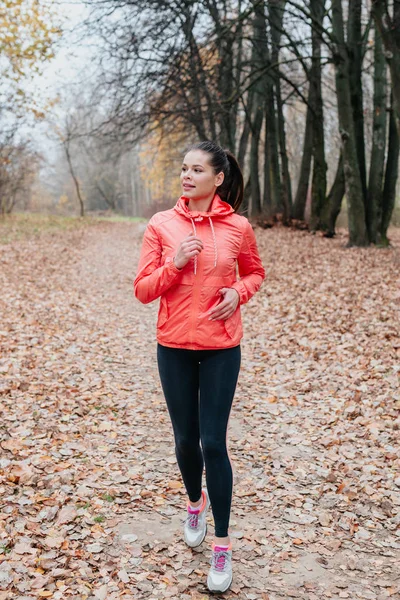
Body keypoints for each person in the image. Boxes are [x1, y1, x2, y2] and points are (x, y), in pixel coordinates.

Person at [133, 140, 265, 593]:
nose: (187, 176)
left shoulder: (238, 227)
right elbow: (143, 290)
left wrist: (238, 294)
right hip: (173, 346)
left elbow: (254, 273)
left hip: (222, 347)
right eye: (183, 168)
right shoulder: (162, 225)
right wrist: (175, 263)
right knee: (186, 441)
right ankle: (195, 502)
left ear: (218, 178)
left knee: (213, 442)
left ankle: (222, 548)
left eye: (196, 170)